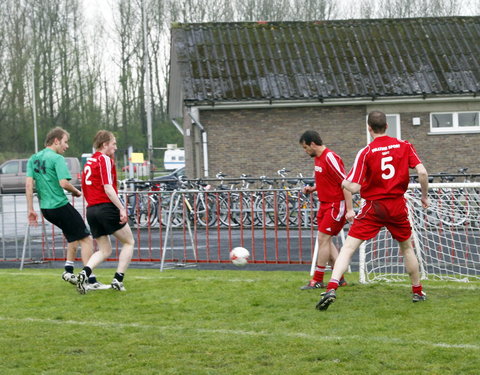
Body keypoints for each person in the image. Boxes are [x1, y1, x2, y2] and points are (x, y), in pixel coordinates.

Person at [316, 111, 430, 311]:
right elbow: (422, 172)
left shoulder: (366, 152)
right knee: (406, 248)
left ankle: (332, 286)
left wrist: (341, 182)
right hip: (397, 205)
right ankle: (417, 291)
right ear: (387, 126)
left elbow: (354, 187)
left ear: (369, 128)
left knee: (349, 248)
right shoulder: (404, 146)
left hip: (374, 206)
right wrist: (424, 196)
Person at [25, 127, 106, 289]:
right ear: (56, 141)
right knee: (87, 239)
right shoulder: (57, 158)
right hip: (59, 205)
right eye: (65, 142)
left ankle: (68, 271)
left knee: (74, 237)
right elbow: (64, 183)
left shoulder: (33, 158)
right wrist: (76, 191)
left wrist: (30, 209)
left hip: (46, 209)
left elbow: (28, 185)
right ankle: (91, 281)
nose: (66, 146)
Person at [76, 130, 134, 294]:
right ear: (104, 144)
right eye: (113, 144)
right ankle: (118, 280)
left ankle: (84, 273)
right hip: (105, 207)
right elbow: (108, 188)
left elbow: (86, 188)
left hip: (92, 209)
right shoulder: (104, 159)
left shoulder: (89, 162)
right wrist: (121, 208)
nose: (115, 147)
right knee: (129, 242)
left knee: (105, 250)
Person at [299, 131, 355, 290]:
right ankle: (340, 278)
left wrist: (350, 209)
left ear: (312, 144)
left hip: (336, 205)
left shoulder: (330, 157)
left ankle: (317, 279)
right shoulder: (317, 158)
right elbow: (328, 181)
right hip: (324, 204)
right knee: (326, 241)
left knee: (323, 240)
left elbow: (345, 183)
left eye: (305, 148)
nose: (305, 151)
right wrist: (313, 189)